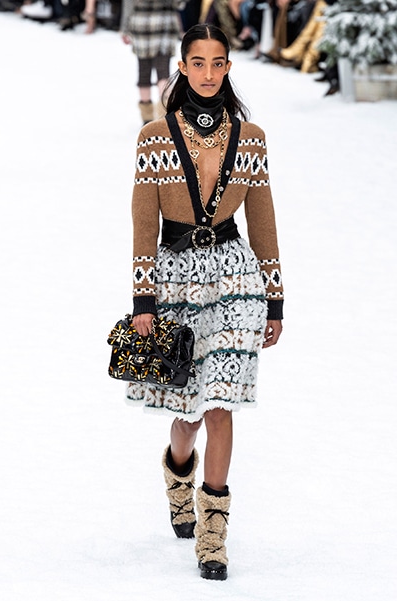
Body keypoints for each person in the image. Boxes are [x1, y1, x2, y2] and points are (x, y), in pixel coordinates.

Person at [126, 23, 284, 580]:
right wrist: (143, 299)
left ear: (229, 67)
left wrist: (274, 299)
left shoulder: (251, 137)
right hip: (176, 282)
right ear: (182, 66)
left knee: (221, 405)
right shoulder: (154, 137)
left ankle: (213, 537)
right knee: (188, 415)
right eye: (199, 63)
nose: (209, 74)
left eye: (219, 63)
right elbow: (143, 222)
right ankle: (178, 476)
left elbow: (262, 218)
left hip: (235, 279)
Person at [120, 0, 185, 124]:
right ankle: (163, 116)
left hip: (140, 22)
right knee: (163, 71)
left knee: (143, 71)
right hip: (165, 22)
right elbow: (179, 3)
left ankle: (147, 118)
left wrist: (124, 28)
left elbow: (128, 4)